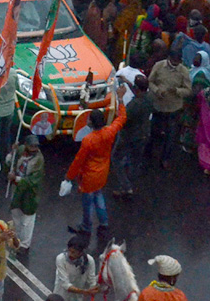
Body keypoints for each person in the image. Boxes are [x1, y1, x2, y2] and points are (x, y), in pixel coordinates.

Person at [64, 85, 127, 237]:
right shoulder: (110, 132)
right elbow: (122, 118)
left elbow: (78, 160)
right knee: (99, 197)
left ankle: (86, 226)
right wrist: (120, 99)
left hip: (89, 176)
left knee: (87, 202)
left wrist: (69, 177)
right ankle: (103, 223)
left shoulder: (88, 140)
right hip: (103, 172)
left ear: (91, 123)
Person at [5, 135, 43, 250]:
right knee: (16, 215)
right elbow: (9, 162)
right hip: (17, 190)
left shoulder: (39, 160)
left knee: (27, 220)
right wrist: (12, 152)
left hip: (29, 194)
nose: (33, 149)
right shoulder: (20, 150)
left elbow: (33, 180)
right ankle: (17, 239)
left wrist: (15, 178)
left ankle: (25, 245)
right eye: (31, 146)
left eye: (36, 146)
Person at [53, 233, 96, 300]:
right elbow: (65, 284)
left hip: (77, 297)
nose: (70, 254)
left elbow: (91, 279)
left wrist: (94, 288)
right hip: (61, 296)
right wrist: (84, 292)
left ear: (81, 253)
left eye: (73, 252)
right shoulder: (61, 259)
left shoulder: (89, 261)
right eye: (69, 251)